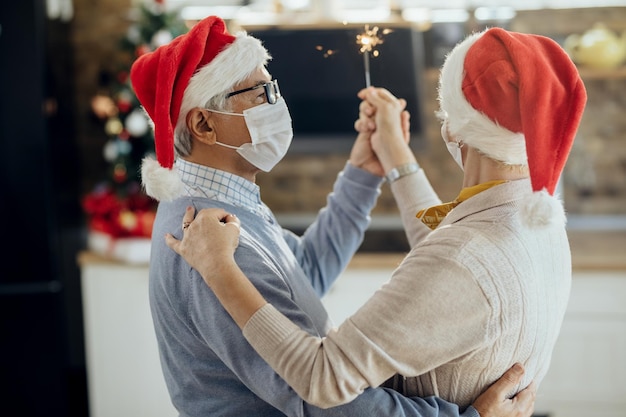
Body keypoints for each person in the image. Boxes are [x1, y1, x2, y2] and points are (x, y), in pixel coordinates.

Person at [130, 15, 537, 417]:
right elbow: (323, 401)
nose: (277, 103)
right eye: (260, 94)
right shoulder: (210, 240)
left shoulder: (232, 205)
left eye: (275, 88)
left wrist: (362, 174)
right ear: (204, 124)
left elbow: (305, 273)